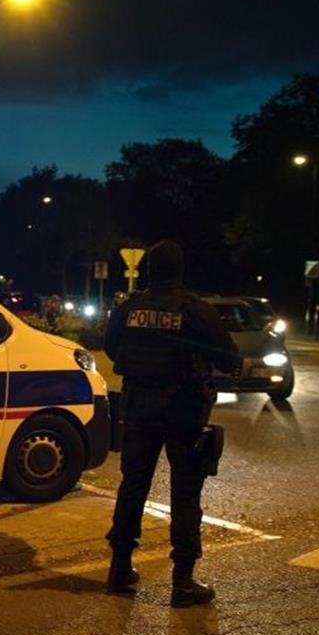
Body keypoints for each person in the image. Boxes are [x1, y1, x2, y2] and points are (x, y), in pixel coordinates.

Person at [103, 240, 240, 607]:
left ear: (148, 270)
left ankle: (119, 569)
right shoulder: (195, 311)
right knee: (184, 493)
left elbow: (113, 349)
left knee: (132, 486)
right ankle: (183, 582)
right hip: (181, 409)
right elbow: (230, 359)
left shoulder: (129, 308)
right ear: (180, 271)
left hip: (137, 408)